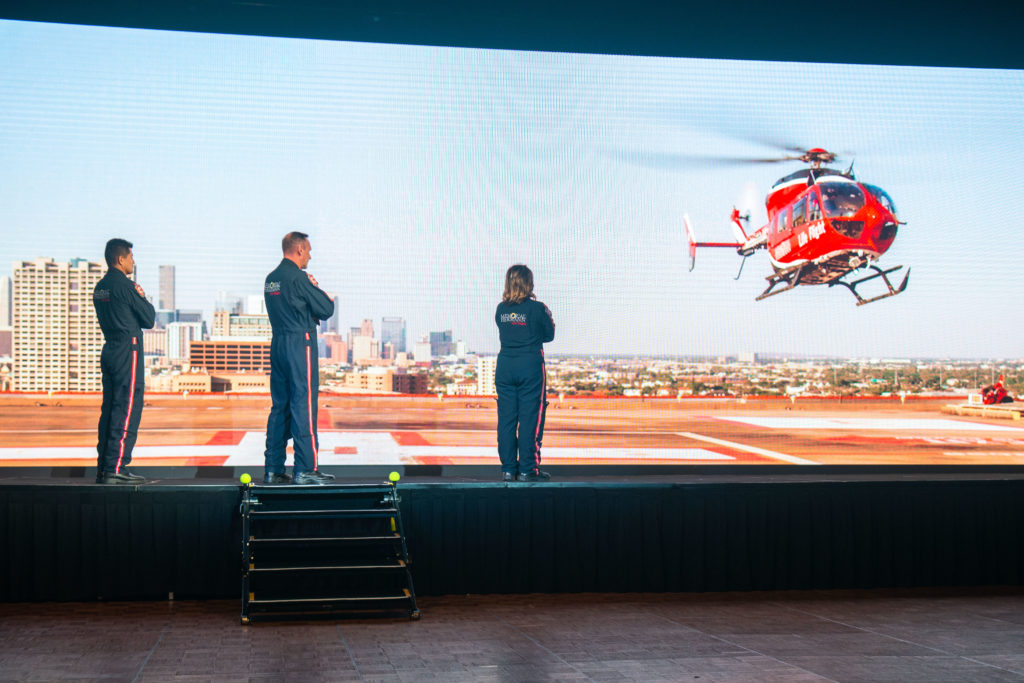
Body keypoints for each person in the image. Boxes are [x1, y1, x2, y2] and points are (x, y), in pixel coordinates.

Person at [263, 231, 336, 485]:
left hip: (278, 344)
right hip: (298, 344)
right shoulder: (299, 278)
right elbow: (326, 309)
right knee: (303, 404)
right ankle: (305, 469)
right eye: (309, 251)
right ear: (299, 249)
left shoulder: (271, 280)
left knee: (279, 406)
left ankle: (273, 469)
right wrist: (314, 287)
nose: (310, 256)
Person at [93, 238, 156, 484]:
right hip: (128, 350)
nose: (133, 261)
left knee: (109, 409)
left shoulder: (100, 287)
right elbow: (148, 318)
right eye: (131, 257)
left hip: (109, 347)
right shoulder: (126, 286)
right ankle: (117, 466)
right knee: (128, 407)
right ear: (121, 259)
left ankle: (105, 467)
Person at [495, 264, 555, 482]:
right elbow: (549, 335)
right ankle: (528, 470)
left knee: (506, 420)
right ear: (529, 283)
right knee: (531, 418)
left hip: (505, 367)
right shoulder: (538, 308)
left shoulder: (501, 310)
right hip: (530, 366)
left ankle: (508, 470)